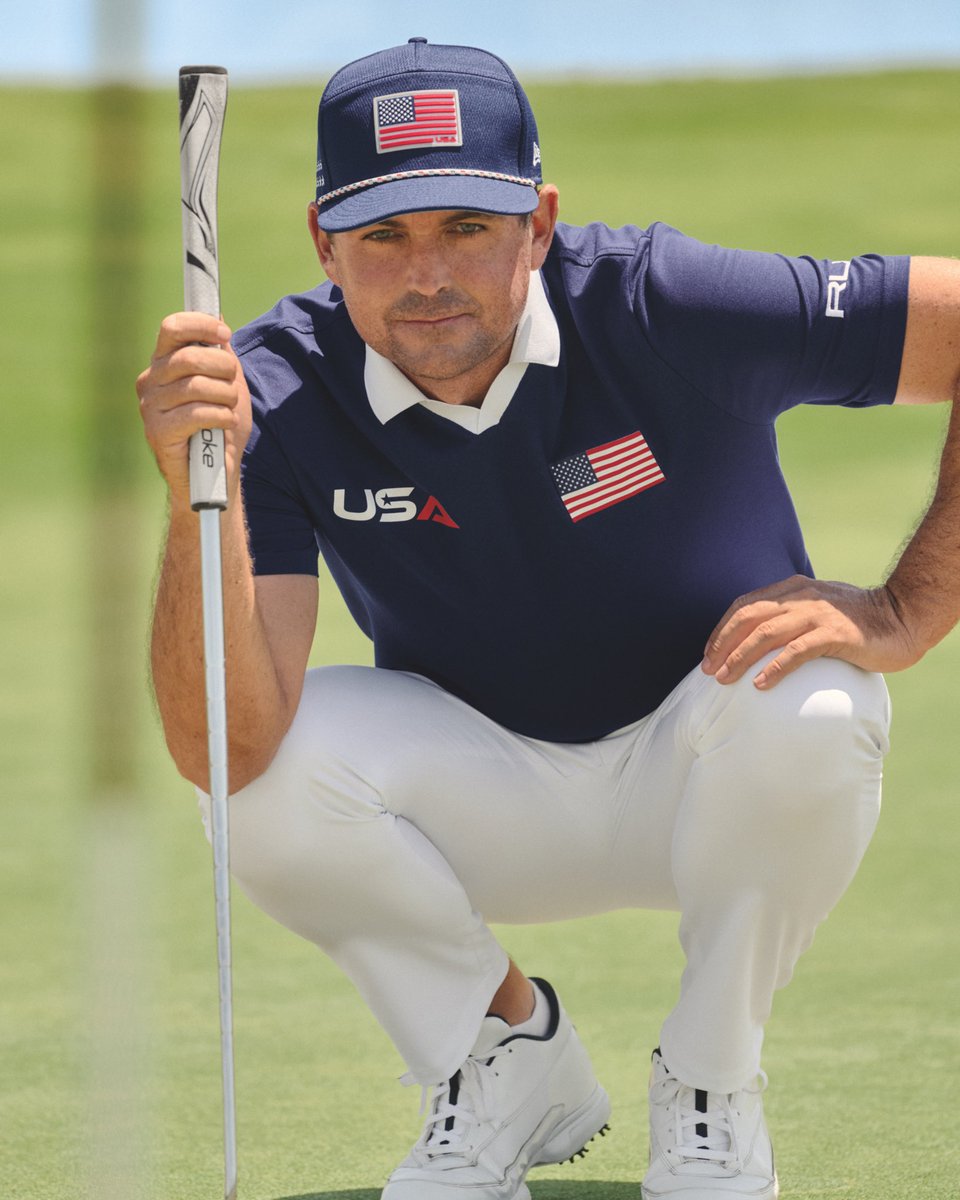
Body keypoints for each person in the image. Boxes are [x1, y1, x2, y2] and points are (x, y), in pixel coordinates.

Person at [137, 38, 960, 1200]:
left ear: (540, 220)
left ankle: (712, 1083)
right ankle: (505, 1056)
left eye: (467, 226)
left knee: (819, 700)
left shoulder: (664, 302)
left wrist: (911, 608)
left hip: (713, 765)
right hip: (490, 793)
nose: (426, 273)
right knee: (256, 783)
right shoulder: (273, 390)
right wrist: (192, 493)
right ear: (324, 242)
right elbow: (219, 741)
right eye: (383, 235)